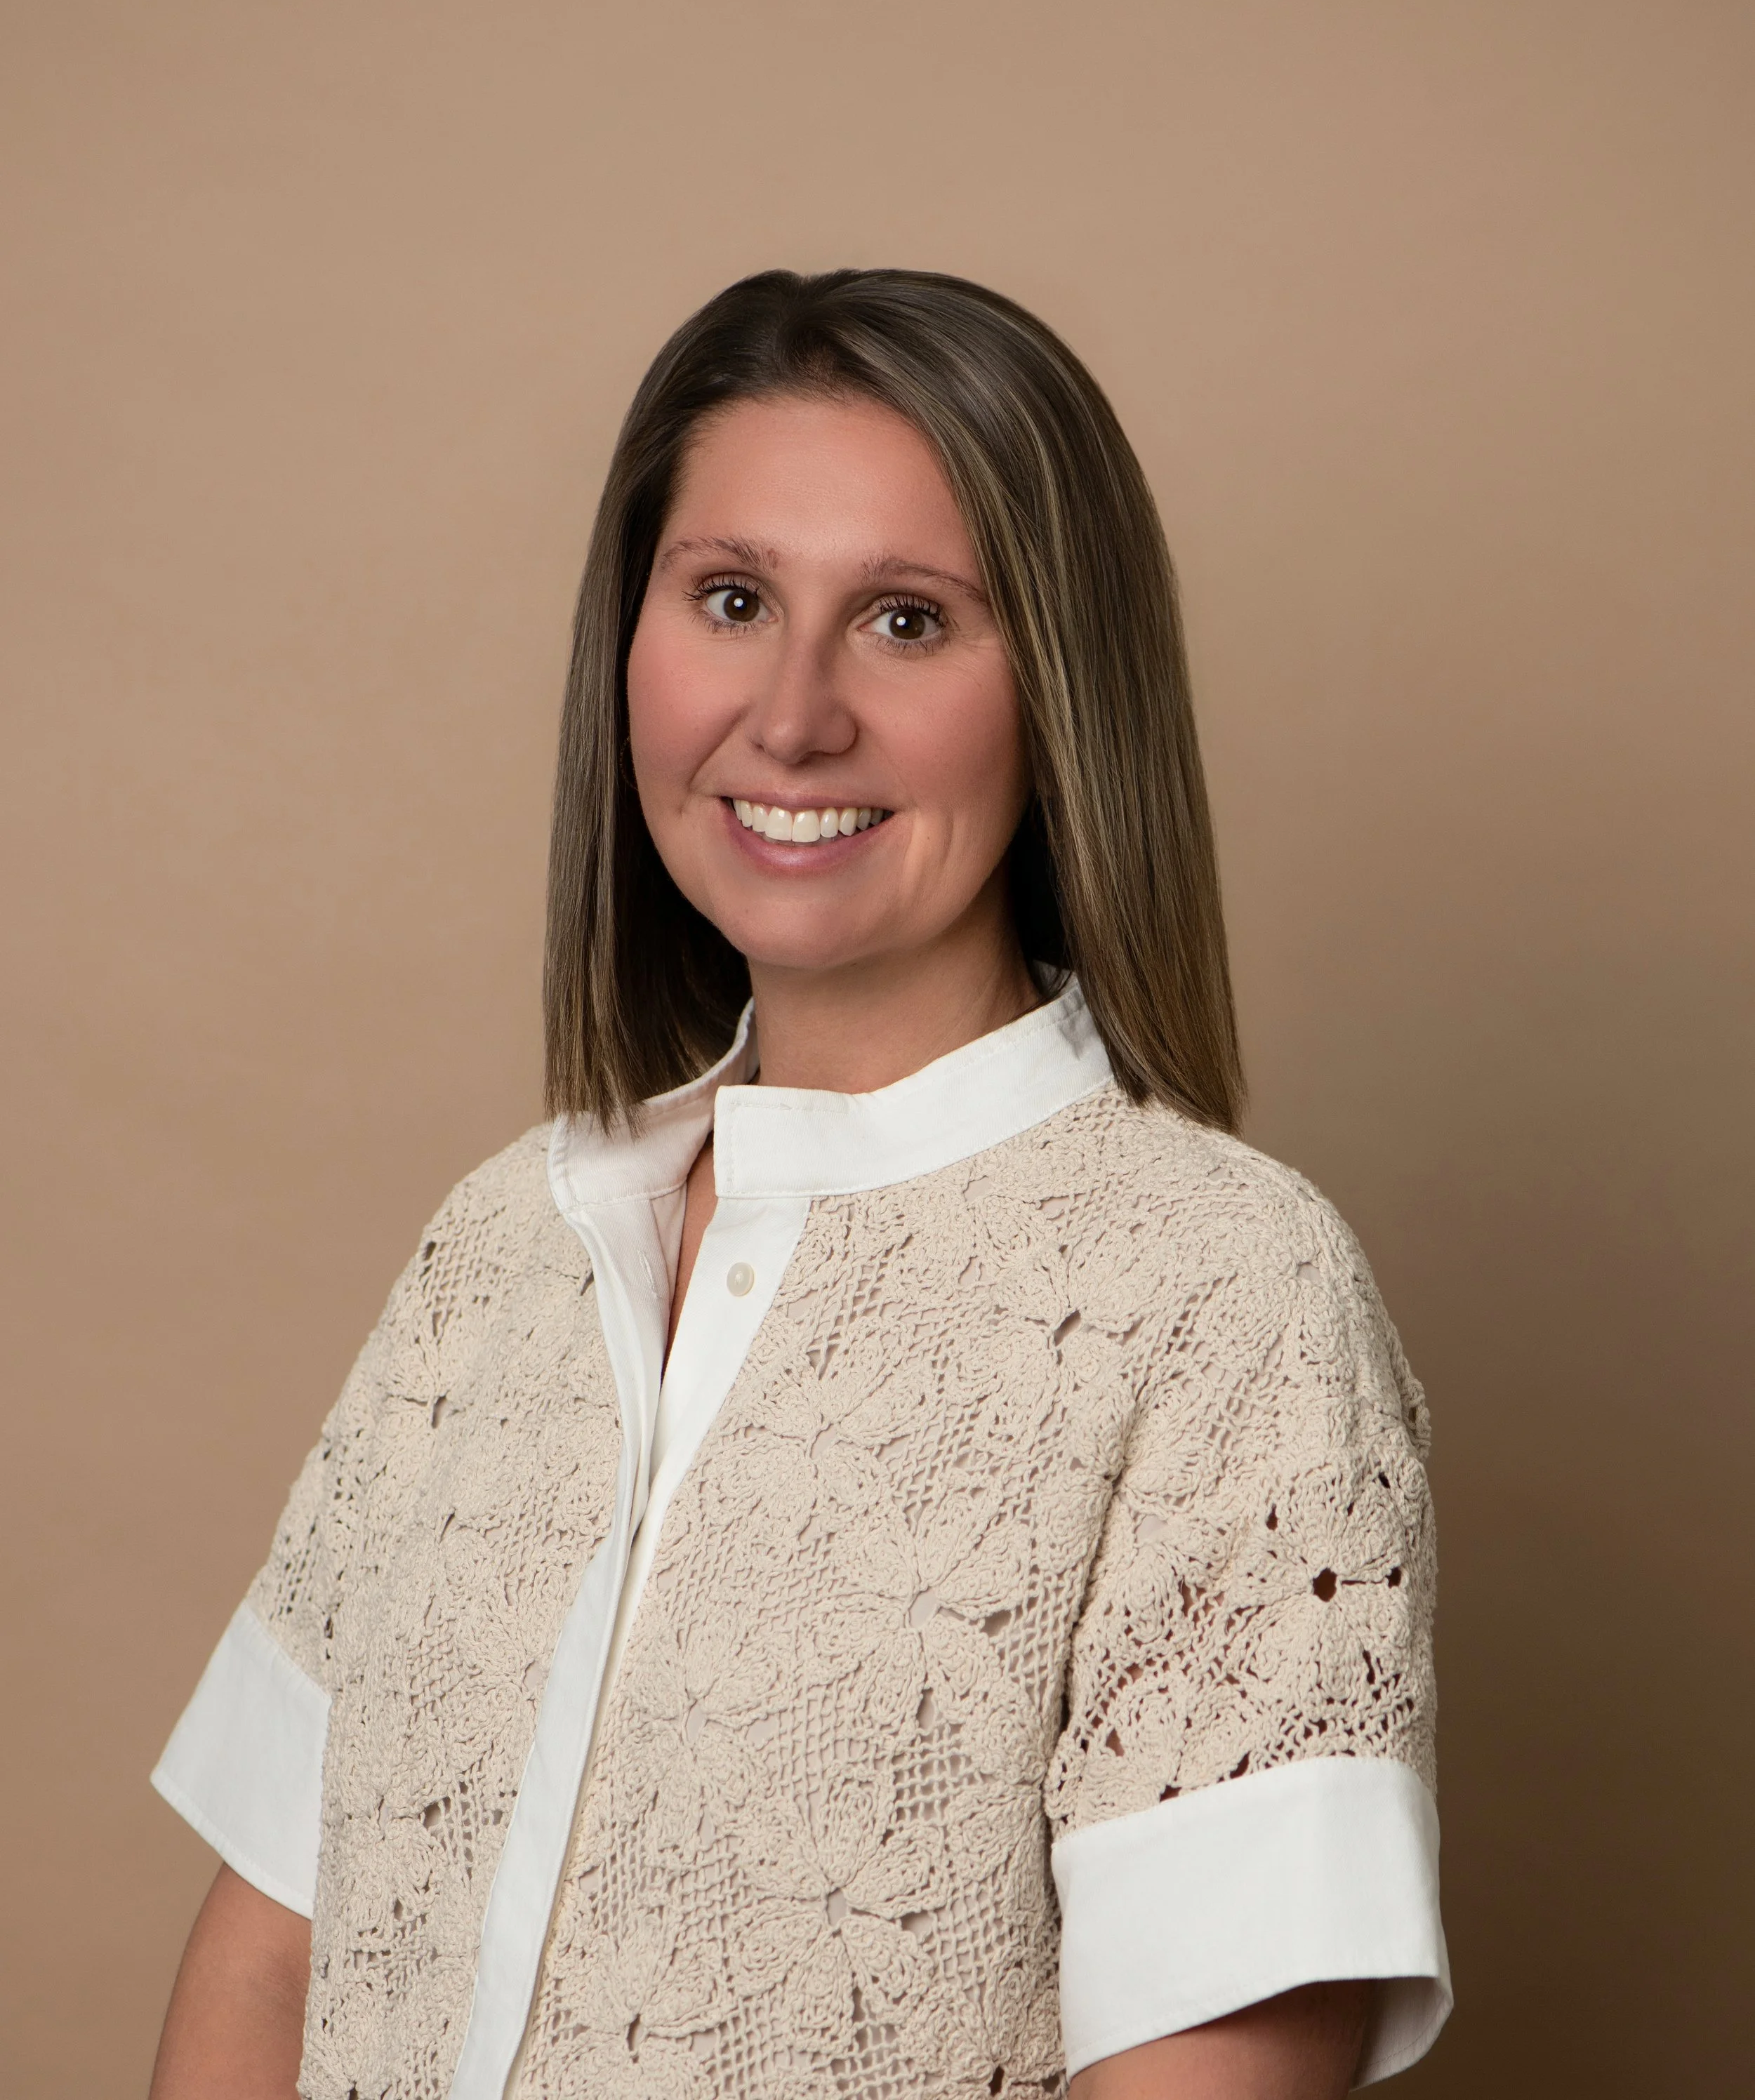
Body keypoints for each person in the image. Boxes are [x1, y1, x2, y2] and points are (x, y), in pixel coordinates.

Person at [148, 269, 1450, 2100]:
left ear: (1059, 690)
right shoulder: (500, 1243)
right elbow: (273, 1948)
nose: (792, 713)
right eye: (733, 598)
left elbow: (1208, 2067)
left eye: (907, 620)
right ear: (635, 635)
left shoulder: (1224, 1299)